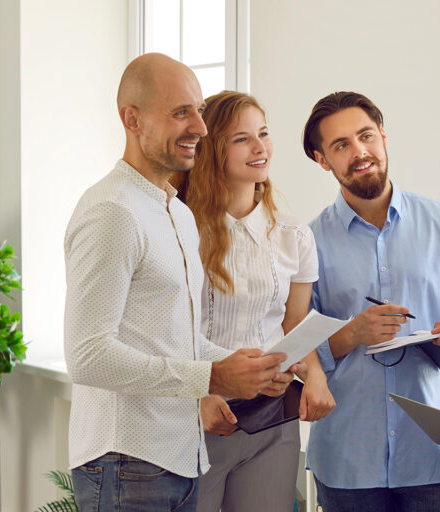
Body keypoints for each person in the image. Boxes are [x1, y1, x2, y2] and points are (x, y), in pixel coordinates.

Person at [63, 54, 296, 512]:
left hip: (179, 458)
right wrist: (212, 375)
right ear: (131, 119)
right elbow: (87, 355)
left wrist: (238, 364)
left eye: (199, 110)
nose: (201, 128)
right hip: (125, 462)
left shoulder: (176, 212)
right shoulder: (112, 212)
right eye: (180, 113)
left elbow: (171, 339)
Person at [302, 91, 440, 512]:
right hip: (348, 460)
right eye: (341, 145)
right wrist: (350, 334)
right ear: (322, 160)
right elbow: (295, 346)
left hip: (434, 454)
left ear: (384, 136)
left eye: (366, 135)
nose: (359, 152)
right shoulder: (306, 242)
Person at [169, 91, 336, 512]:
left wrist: (313, 376)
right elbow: (166, 330)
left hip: (270, 421)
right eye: (242, 138)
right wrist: (199, 396)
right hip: (197, 421)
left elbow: (295, 327)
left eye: (263, 133)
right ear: (211, 148)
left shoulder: (293, 235)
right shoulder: (178, 227)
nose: (260, 148)